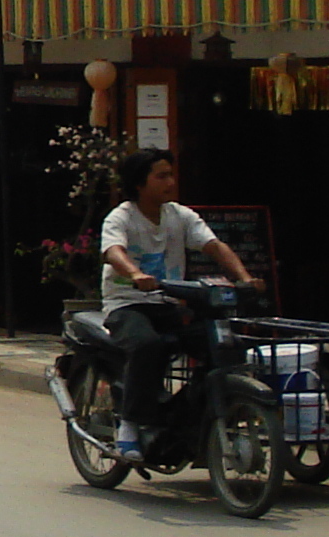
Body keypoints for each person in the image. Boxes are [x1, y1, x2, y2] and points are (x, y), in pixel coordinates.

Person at [96, 149, 255, 455]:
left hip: (169, 304)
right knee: (147, 345)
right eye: (162, 176)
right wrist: (135, 273)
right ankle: (130, 422)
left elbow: (215, 247)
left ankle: (190, 416)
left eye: (171, 174)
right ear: (139, 184)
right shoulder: (122, 217)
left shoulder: (180, 215)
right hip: (127, 305)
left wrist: (244, 278)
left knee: (221, 344)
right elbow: (113, 251)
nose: (170, 181)